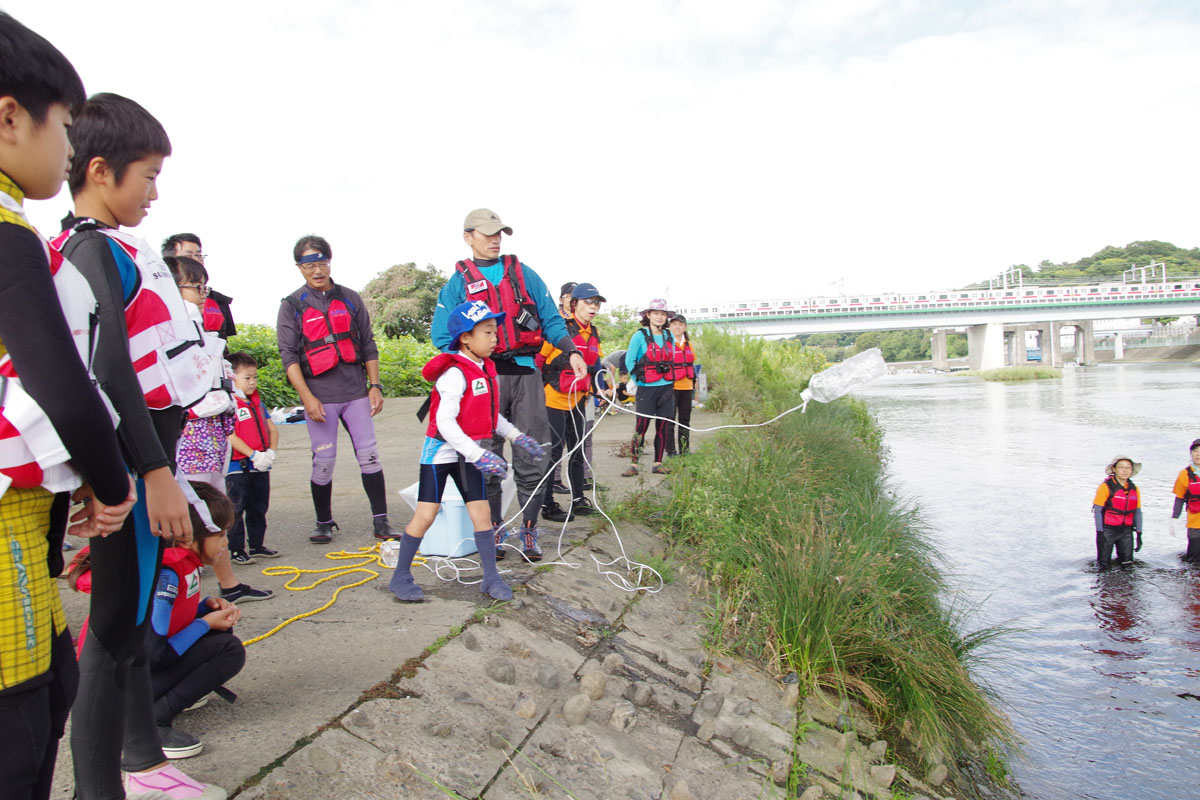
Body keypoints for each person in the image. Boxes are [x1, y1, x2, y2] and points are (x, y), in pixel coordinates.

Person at [52, 91, 228, 800]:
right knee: (111, 632)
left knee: (127, 625)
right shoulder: (92, 251)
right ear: (101, 171)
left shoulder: (124, 248)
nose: (155, 192)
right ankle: (103, 786)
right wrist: (153, 473)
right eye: (148, 176)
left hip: (147, 464)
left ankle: (143, 758)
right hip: (132, 470)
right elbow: (110, 369)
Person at [0, 15, 137, 798]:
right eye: (62, 124)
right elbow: (66, 387)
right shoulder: (10, 233)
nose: (63, 145)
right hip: (8, 544)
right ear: (11, 117)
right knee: (27, 717)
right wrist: (112, 486)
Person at [431, 209, 586, 562]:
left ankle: (529, 530)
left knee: (533, 454)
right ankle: (495, 528)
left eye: (499, 233)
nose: (495, 239)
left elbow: (550, 319)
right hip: (485, 381)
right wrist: (467, 367)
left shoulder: (523, 274)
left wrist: (571, 352)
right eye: (487, 234)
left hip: (525, 374)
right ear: (468, 237)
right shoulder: (456, 284)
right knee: (486, 455)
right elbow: (441, 335)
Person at [69, 482, 246, 763]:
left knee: (219, 637)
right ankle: (150, 721)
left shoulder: (182, 563)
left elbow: (167, 622)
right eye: (221, 534)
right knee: (229, 650)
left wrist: (204, 609)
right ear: (188, 537)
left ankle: (160, 699)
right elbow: (152, 652)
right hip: (118, 688)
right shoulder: (167, 575)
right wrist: (205, 624)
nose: (226, 542)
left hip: (126, 677)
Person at [389, 301, 545, 600]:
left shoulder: (486, 368)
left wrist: (516, 436)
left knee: (482, 513)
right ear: (465, 338)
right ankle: (401, 576)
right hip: (441, 452)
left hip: (469, 452)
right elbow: (445, 423)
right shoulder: (454, 374)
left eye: (495, 332)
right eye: (486, 332)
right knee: (426, 514)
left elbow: (490, 415)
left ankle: (491, 578)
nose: (494, 337)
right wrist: (479, 455)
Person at [276, 235, 397, 544]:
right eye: (309, 264)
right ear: (299, 267)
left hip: (355, 392)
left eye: (321, 262)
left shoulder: (350, 298)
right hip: (320, 397)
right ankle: (323, 521)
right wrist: (308, 399)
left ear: (330, 261)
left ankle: (381, 522)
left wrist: (375, 386)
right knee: (323, 460)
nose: (317, 270)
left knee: (370, 456)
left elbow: (368, 344)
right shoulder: (291, 306)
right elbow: (289, 357)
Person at [539, 283, 609, 523]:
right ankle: (547, 504)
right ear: (574, 304)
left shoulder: (594, 333)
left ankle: (578, 499)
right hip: (554, 398)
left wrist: (602, 387)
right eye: (588, 302)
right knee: (553, 452)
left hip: (580, 399)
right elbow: (539, 360)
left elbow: (596, 363)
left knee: (578, 450)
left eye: (596, 304)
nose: (593, 308)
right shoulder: (559, 330)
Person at [169, 254, 237, 491]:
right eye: (196, 287)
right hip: (191, 437)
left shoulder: (196, 326)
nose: (203, 294)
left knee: (216, 498)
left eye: (204, 287)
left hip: (215, 433)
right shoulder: (172, 328)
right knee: (197, 503)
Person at [225, 351, 279, 564]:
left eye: (255, 377)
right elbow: (230, 435)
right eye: (247, 378)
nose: (252, 382)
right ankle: (236, 549)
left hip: (260, 465)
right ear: (232, 377)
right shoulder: (228, 404)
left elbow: (272, 429)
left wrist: (270, 452)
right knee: (235, 509)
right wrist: (252, 454)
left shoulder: (257, 403)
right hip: (237, 466)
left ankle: (257, 545)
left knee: (258, 507)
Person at [623, 299, 679, 477]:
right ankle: (634, 464)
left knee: (662, 427)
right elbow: (629, 361)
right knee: (641, 426)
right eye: (656, 313)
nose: (659, 317)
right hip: (646, 388)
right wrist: (638, 381)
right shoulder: (639, 335)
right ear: (648, 315)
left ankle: (658, 463)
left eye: (663, 314)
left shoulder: (669, 336)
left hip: (666, 387)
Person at [161, 233, 236, 340]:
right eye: (188, 256)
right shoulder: (158, 302)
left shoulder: (219, 300)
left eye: (199, 255)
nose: (197, 260)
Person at [1092, 456, 1143, 570]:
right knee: (1103, 566)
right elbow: (1098, 511)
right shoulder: (1105, 487)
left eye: (1128, 468)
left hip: (1126, 531)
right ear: (1114, 469)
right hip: (1107, 530)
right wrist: (1100, 533)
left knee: (1127, 565)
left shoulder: (1134, 488)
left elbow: (1138, 512)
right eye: (1121, 467)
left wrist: (1139, 533)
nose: (1125, 471)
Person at [665, 313, 697, 457]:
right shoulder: (665, 343)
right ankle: (671, 451)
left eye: (680, 324)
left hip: (687, 387)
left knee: (685, 421)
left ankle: (685, 450)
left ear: (685, 327)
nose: (677, 327)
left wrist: (695, 386)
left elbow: (692, 365)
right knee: (669, 421)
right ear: (670, 327)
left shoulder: (688, 344)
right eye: (674, 324)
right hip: (671, 387)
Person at [1169, 439, 1200, 563]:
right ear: (1191, 453)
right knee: (1194, 559)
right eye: (1195, 451)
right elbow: (1179, 498)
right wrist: (1174, 518)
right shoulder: (1184, 474)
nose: (1198, 454)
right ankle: (1190, 581)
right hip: (1195, 524)